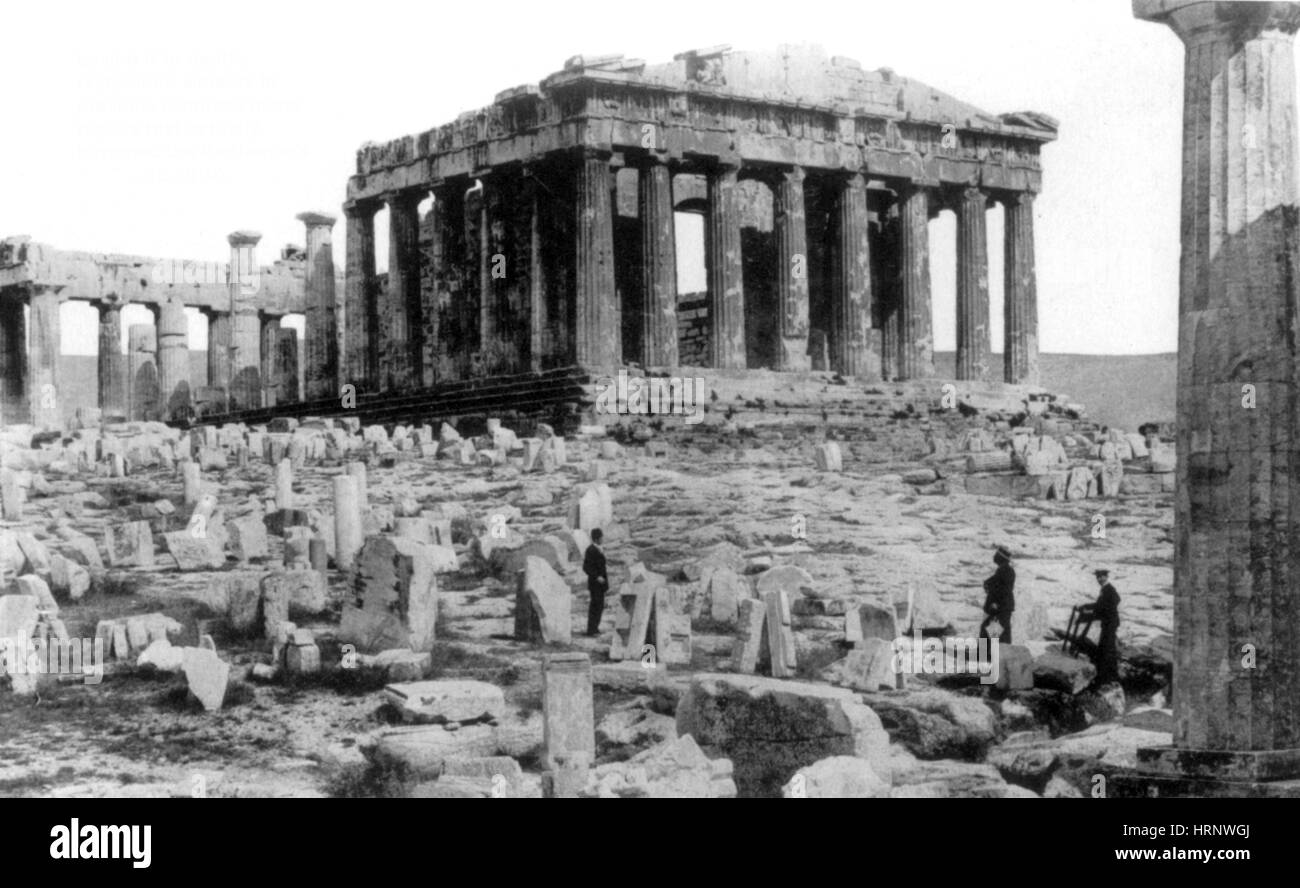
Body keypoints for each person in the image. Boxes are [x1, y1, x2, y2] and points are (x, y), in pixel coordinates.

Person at [1079, 569, 1121, 684]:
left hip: (1110, 623)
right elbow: (1099, 605)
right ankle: (1110, 675)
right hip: (1108, 623)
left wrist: (1104, 612)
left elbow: (1116, 600)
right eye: (1098, 577)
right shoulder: (1105, 589)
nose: (1099, 579)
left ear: (1106, 577)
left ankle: (1109, 676)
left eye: (1101, 577)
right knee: (1107, 647)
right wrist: (1086, 606)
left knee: (1107, 649)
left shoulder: (1109, 589)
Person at [979, 544, 1016, 644]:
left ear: (1000, 558)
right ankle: (998, 652)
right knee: (1000, 631)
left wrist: (996, 604)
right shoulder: (1004, 570)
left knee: (989, 629)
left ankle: (984, 654)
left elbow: (1004, 590)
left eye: (996, 555)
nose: (994, 557)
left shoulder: (1005, 570)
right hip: (1003, 606)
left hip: (1000, 607)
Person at [582, 528, 609, 637]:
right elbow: (586, 567)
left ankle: (595, 628)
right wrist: (597, 577)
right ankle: (591, 630)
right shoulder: (590, 550)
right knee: (595, 606)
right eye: (601, 537)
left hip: (601, 584)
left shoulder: (599, 549)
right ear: (597, 538)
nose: (603, 539)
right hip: (595, 584)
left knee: (600, 606)